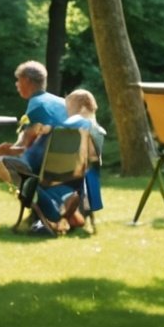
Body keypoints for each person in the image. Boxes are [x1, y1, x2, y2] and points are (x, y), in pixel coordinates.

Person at [0, 60, 68, 207]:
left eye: (18, 80)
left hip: (41, 172)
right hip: (70, 170)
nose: (16, 84)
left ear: (27, 80)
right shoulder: (62, 103)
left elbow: (24, 147)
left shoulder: (37, 104)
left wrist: (4, 150)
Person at [44, 88, 108, 233]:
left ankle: (55, 217)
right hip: (88, 181)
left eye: (68, 106)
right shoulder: (98, 131)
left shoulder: (68, 126)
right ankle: (71, 215)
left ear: (78, 106)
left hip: (63, 177)